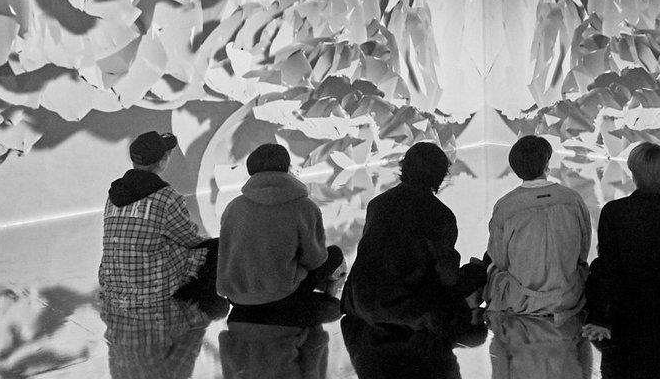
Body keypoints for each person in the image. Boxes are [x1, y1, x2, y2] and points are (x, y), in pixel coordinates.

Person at [341, 142, 486, 336]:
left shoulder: (377, 204)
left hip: (359, 303)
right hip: (406, 311)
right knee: (475, 273)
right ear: (440, 175)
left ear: (405, 167)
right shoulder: (440, 215)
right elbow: (448, 276)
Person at [582, 143, 660, 341]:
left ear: (633, 174)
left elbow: (609, 268)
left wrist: (601, 319)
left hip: (623, 310)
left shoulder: (614, 211)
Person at [217, 143, 344, 328]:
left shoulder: (233, 207)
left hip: (237, 300)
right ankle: (326, 289)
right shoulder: (305, 207)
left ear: (251, 170)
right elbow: (315, 259)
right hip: (284, 297)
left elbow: (226, 254)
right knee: (335, 254)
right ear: (287, 167)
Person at [98, 131, 218, 310]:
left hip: (112, 285)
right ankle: (199, 309)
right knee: (216, 249)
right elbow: (191, 240)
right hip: (150, 289)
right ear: (162, 162)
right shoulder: (166, 197)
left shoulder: (113, 195)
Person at [484, 135, 591, 322]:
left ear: (515, 168)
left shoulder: (506, 206)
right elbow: (583, 253)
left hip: (520, 300)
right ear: (546, 163)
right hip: (569, 297)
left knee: (488, 266)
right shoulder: (573, 199)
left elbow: (500, 261)